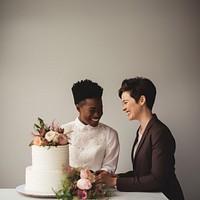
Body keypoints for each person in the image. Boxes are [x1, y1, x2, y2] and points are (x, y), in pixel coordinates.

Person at [97, 77, 184, 200]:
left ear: (142, 100)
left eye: (125, 102)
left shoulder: (159, 132)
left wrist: (114, 182)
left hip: (165, 196)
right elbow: (141, 173)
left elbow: (156, 179)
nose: (123, 108)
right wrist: (114, 177)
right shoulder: (140, 131)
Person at [61, 79, 120, 174]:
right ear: (78, 108)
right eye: (92, 110)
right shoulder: (62, 132)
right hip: (64, 187)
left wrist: (91, 180)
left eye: (100, 109)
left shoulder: (110, 134)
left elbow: (109, 167)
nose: (97, 114)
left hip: (98, 186)